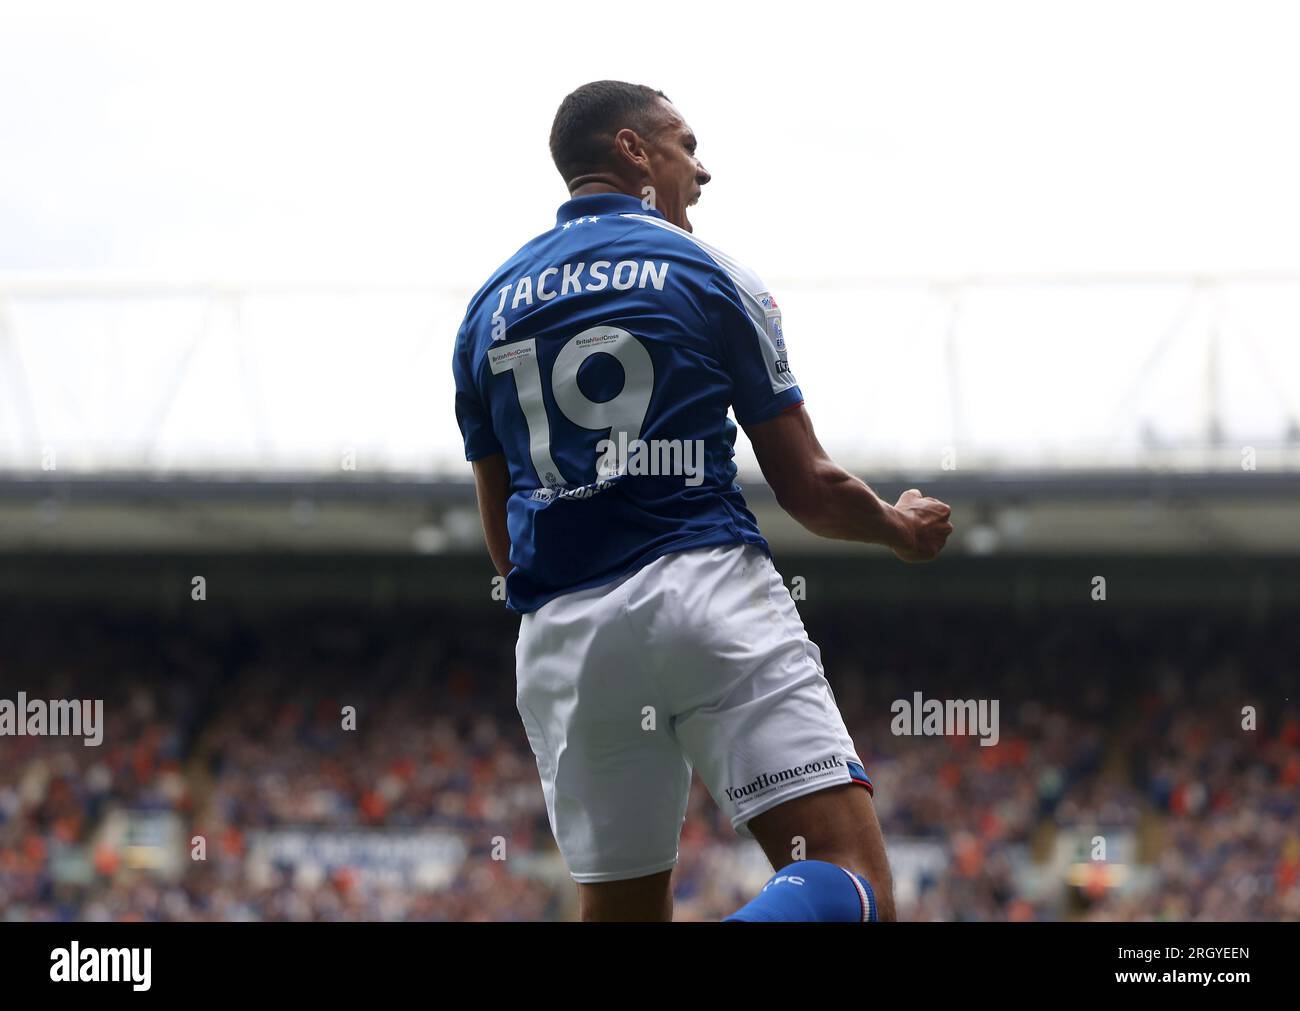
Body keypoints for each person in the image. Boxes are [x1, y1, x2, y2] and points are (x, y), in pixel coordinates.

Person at [452, 80, 953, 921]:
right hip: (704, 590)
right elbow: (810, 487)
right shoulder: (708, 270)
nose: (703, 169)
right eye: (686, 144)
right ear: (634, 151)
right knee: (846, 869)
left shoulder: (485, 312)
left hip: (565, 642)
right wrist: (900, 528)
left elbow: (506, 544)